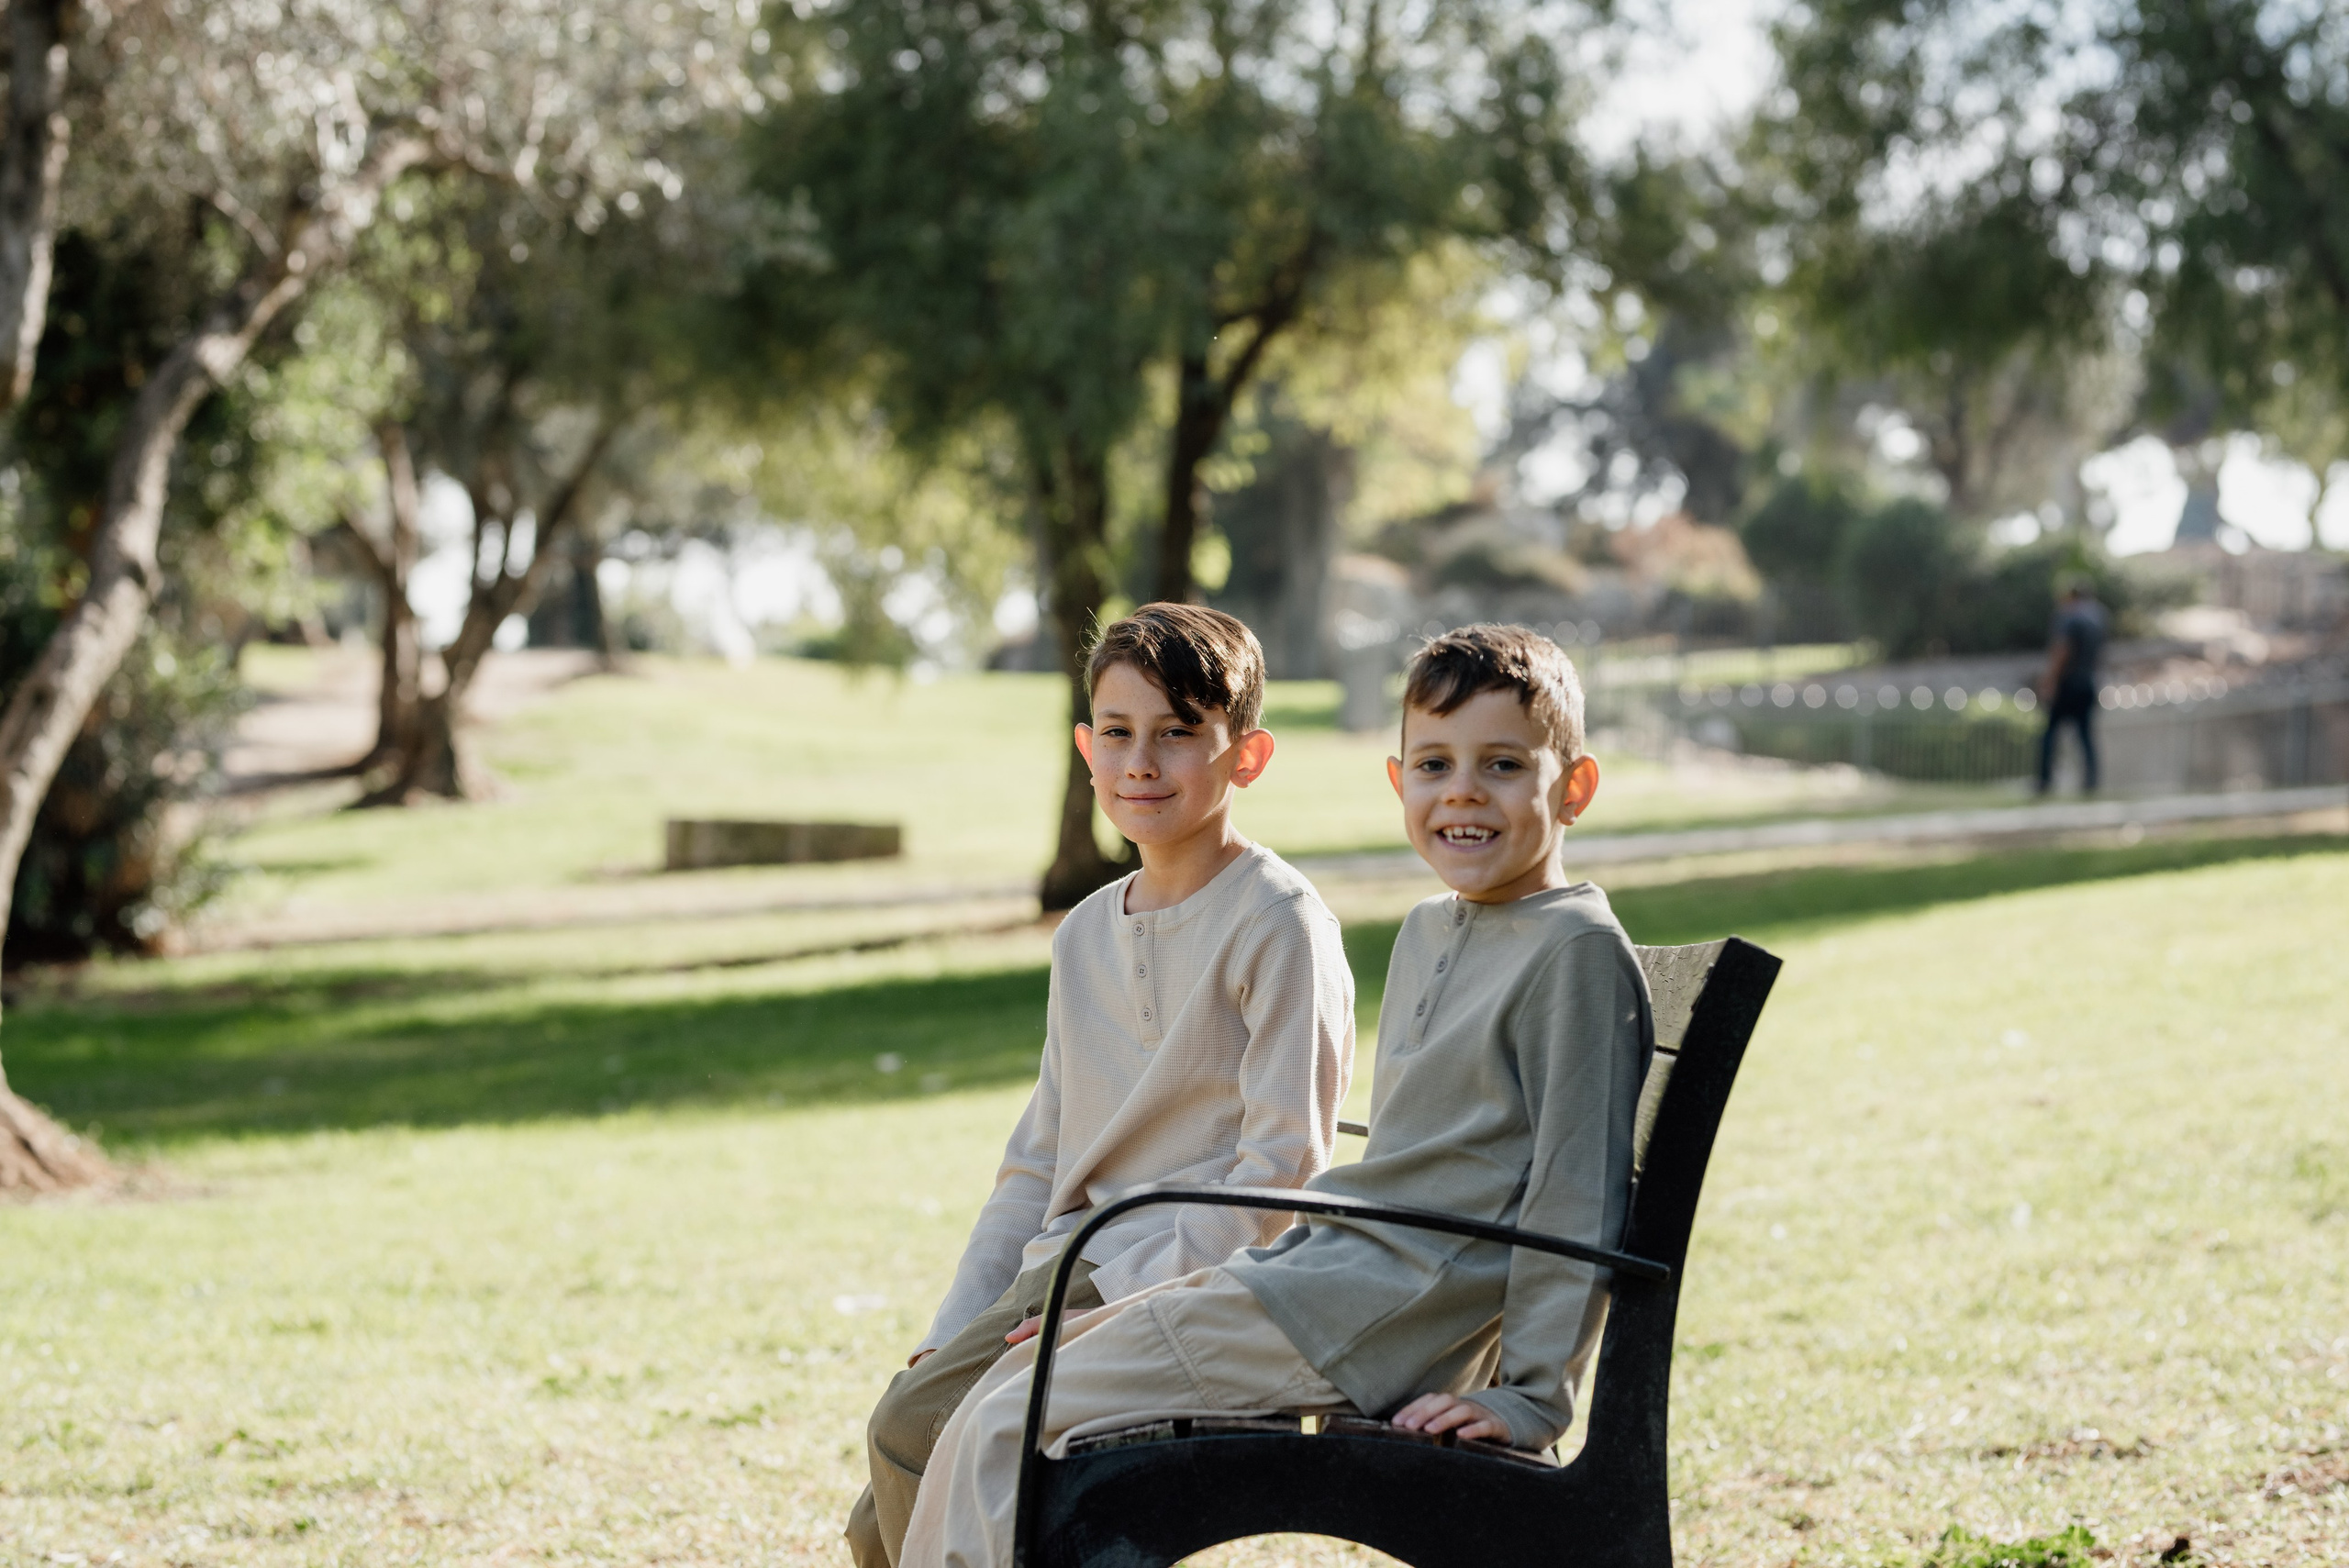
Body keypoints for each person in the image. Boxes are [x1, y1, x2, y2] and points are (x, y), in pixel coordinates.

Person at [897, 623, 1653, 1568]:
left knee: (1004, 1413)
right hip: (1309, 1278)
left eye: (1501, 763)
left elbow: (1575, 1191)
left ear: (1573, 786)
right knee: (1006, 1386)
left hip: (1357, 1318)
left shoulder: (1572, 951)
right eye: (1434, 763)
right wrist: (1155, 1301)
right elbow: (1400, 1169)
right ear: (1398, 782)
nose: (1461, 790)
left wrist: (1530, 1394)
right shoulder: (1432, 927)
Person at [844, 603, 1355, 1568]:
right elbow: (1037, 1158)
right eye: (1117, 733)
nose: (1141, 763)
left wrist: (1114, 1298)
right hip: (1059, 1264)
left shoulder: (1279, 922)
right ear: (1086, 747)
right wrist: (954, 1321)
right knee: (886, 1499)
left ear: (1246, 755)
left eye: (1177, 734)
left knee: (911, 1434)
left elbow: (1280, 1175)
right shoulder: (1083, 932)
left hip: (1180, 1283)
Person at [2037, 574, 2109, 795]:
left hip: (2067, 683)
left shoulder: (2070, 617)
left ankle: (2044, 782)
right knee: (2085, 736)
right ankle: (2091, 782)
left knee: (2050, 734)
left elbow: (2062, 650)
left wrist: (2049, 680)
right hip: (2088, 681)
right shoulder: (2099, 618)